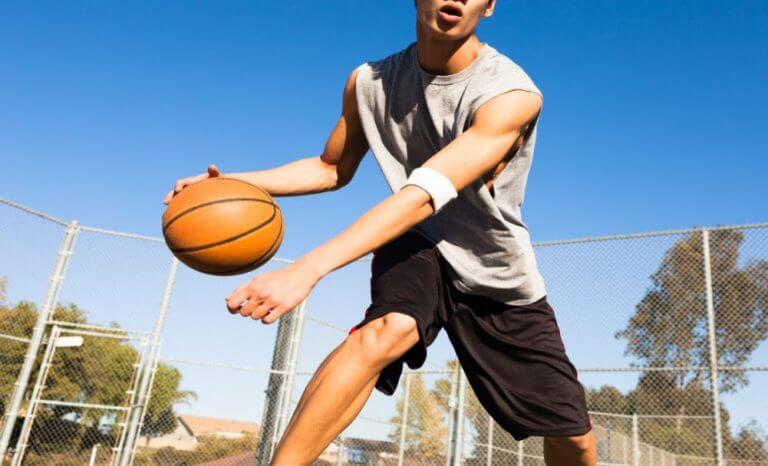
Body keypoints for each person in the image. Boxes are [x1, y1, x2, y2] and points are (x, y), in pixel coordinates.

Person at [164, 1, 596, 464]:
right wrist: (230, 185)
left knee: (572, 434)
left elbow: (426, 192)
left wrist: (308, 268)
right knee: (388, 330)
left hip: (491, 265)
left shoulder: (509, 93)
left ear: (489, 6)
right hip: (417, 237)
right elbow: (331, 168)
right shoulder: (368, 82)